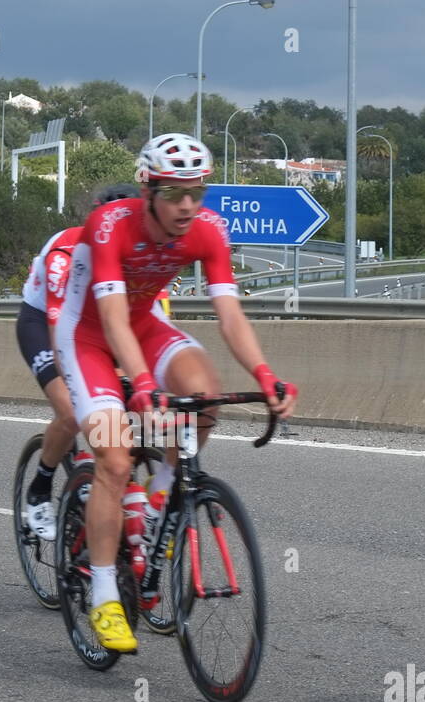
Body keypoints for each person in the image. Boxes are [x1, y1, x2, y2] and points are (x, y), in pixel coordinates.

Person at [55, 132, 298, 653]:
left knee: (205, 392)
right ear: (148, 190)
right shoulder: (109, 225)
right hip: (88, 337)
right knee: (116, 462)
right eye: (173, 193)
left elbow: (229, 314)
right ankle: (102, 596)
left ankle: (165, 485)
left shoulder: (208, 229)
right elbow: (112, 319)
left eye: (197, 192)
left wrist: (264, 374)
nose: (187, 205)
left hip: (144, 325)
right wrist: (141, 385)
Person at [17, 183, 161, 541]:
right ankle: (40, 488)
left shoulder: (146, 253)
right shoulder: (66, 252)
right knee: (71, 409)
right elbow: (60, 328)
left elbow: (153, 320)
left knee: (154, 406)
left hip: (105, 325)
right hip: (46, 322)